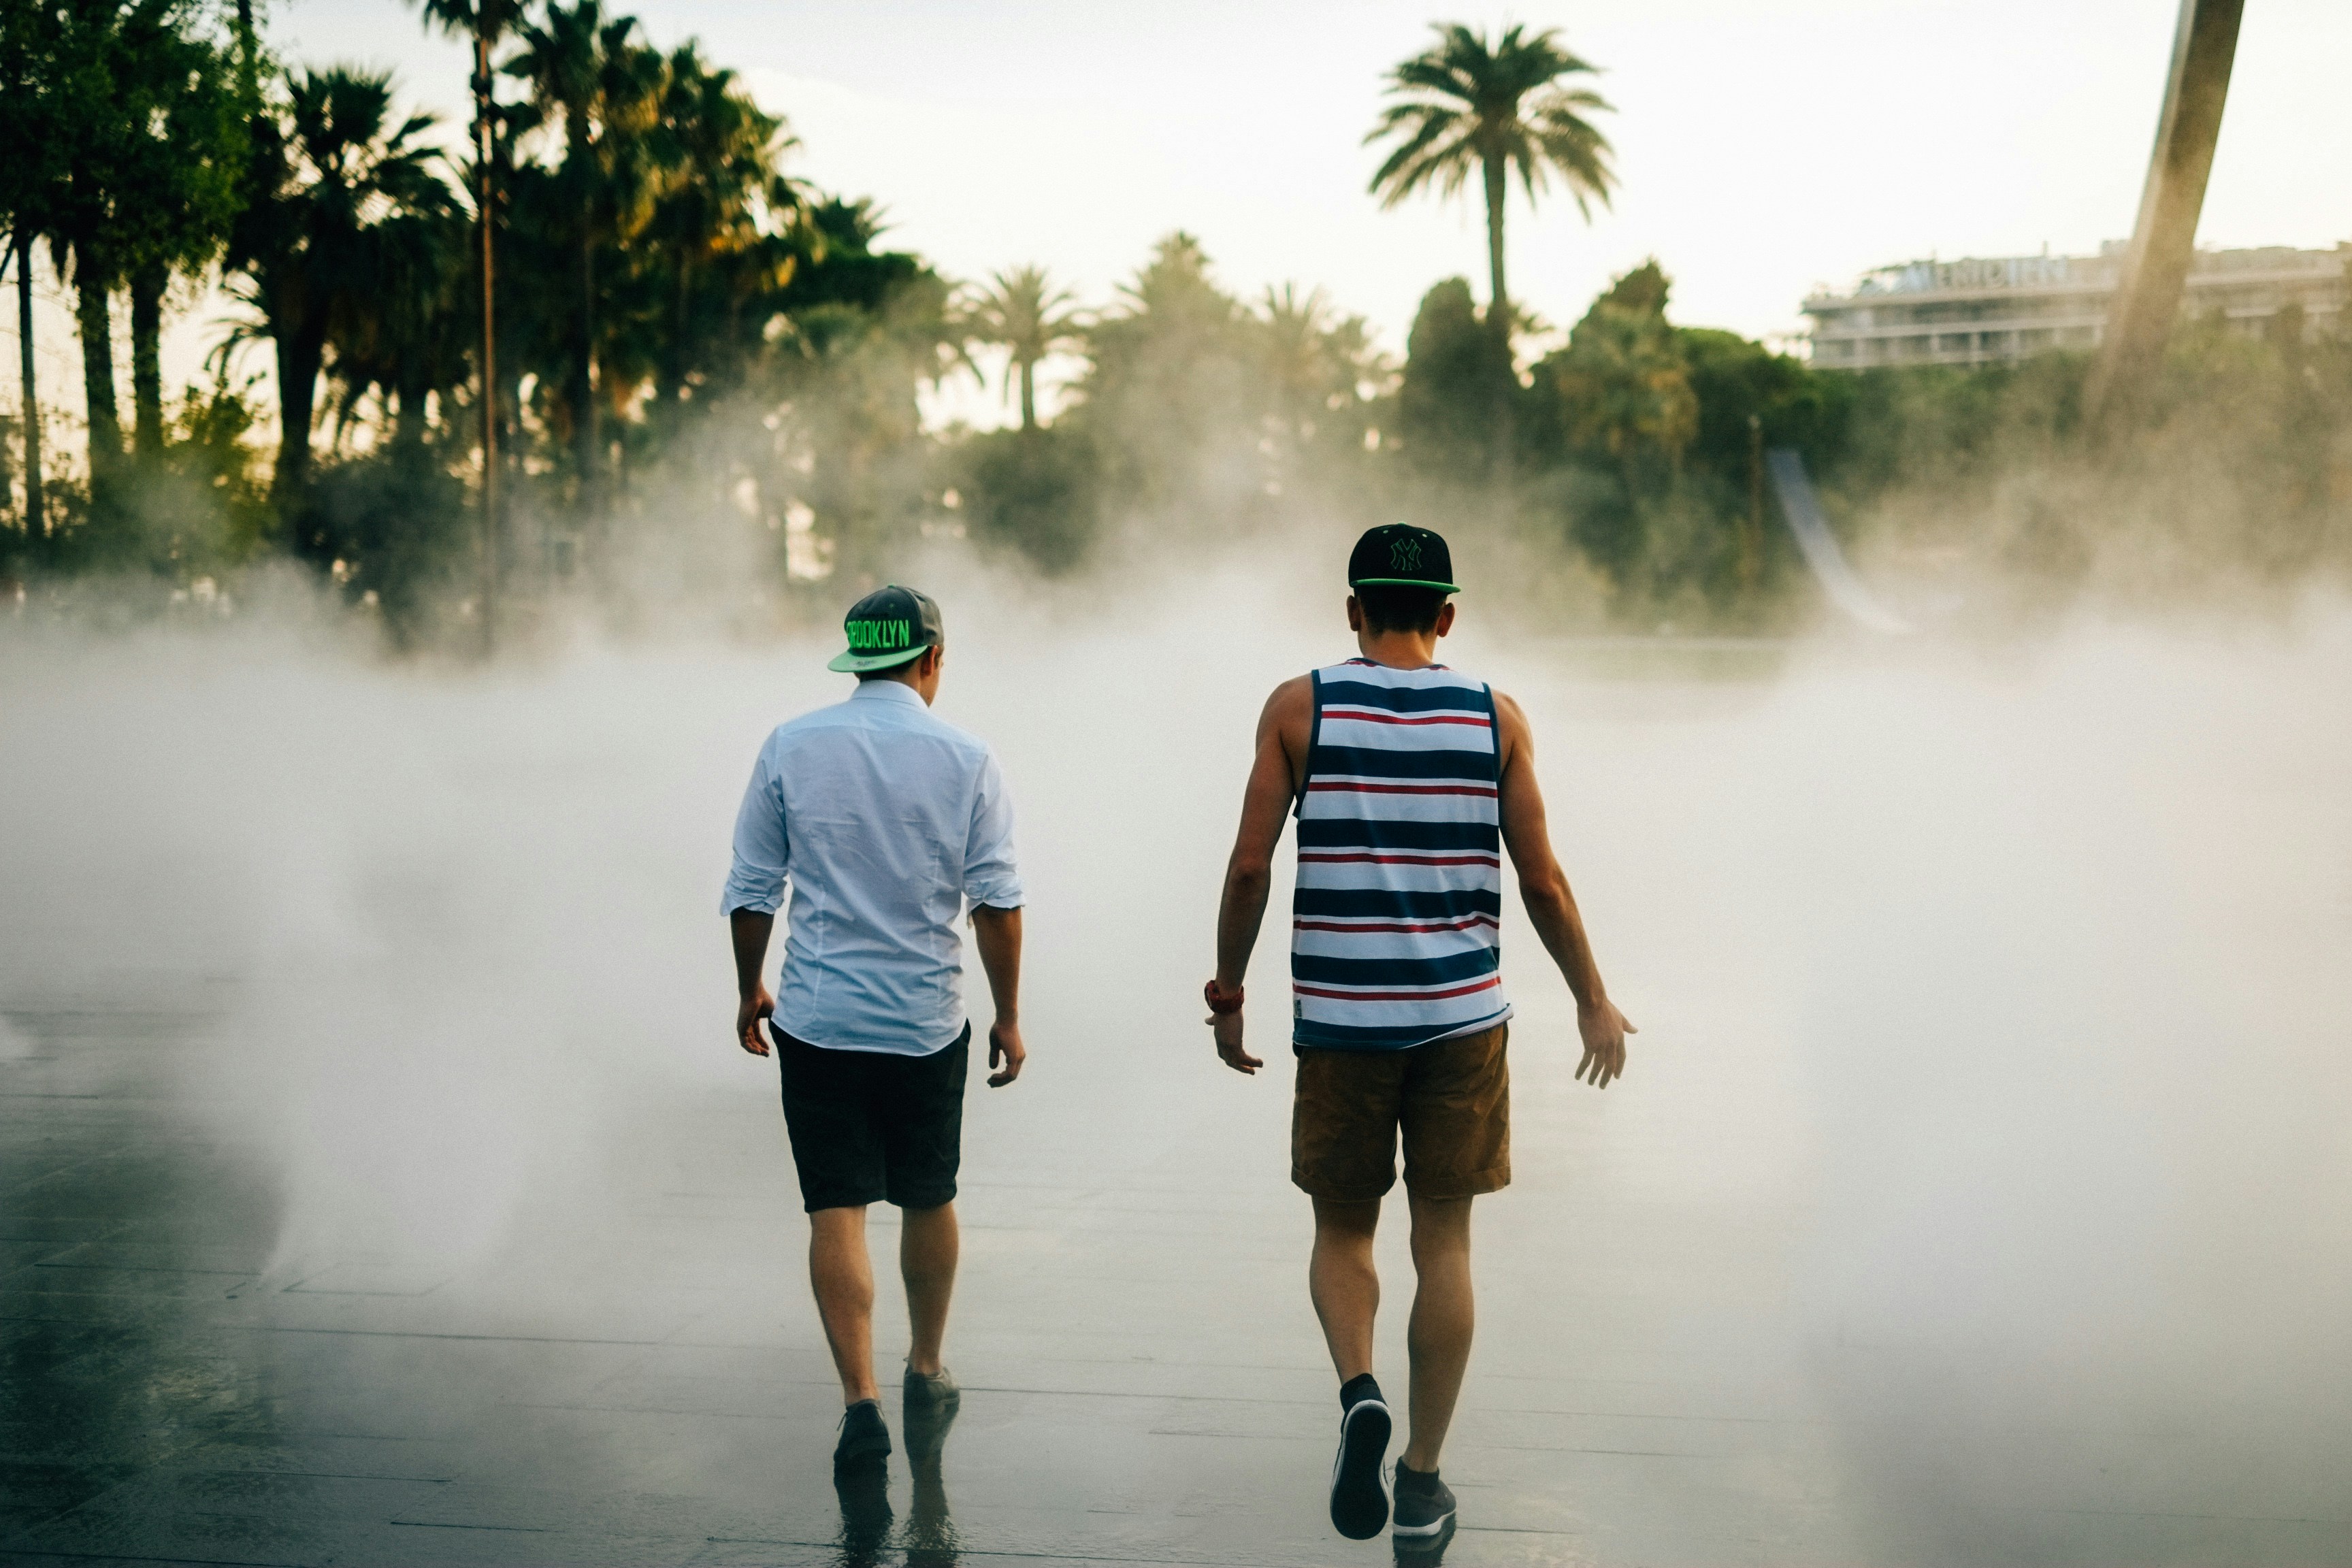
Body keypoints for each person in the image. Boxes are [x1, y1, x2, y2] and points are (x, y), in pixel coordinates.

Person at [1205, 525, 1635, 1550]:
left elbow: (1251, 867)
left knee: (1343, 1233)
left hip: (1342, 1021)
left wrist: (1228, 992)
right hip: (1460, 1024)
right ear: (1447, 615)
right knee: (1444, 1244)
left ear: (1353, 610)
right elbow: (1541, 880)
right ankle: (1423, 1480)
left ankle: (1360, 1391)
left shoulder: (1299, 707)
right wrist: (1592, 996)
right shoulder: (1496, 716)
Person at [722, 583, 1028, 1479]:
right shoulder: (968, 756)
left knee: (837, 1207)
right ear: (931, 660)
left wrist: (750, 989)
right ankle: (925, 1367)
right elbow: (997, 902)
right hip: (925, 1020)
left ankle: (860, 1400)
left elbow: (752, 890)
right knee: (929, 1194)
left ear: (856, 661)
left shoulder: (791, 745)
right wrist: (1009, 1013)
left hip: (819, 1019)